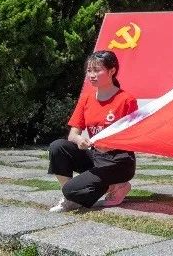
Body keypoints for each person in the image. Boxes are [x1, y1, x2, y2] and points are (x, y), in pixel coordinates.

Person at [47, 51, 138, 212]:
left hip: (119, 161)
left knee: (71, 189)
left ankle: (118, 184)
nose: (91, 75)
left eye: (97, 70)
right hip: (96, 156)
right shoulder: (87, 98)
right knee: (57, 147)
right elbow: (72, 134)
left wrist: (111, 145)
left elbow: (134, 136)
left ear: (112, 71)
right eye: (89, 70)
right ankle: (72, 198)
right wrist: (79, 140)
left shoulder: (126, 100)